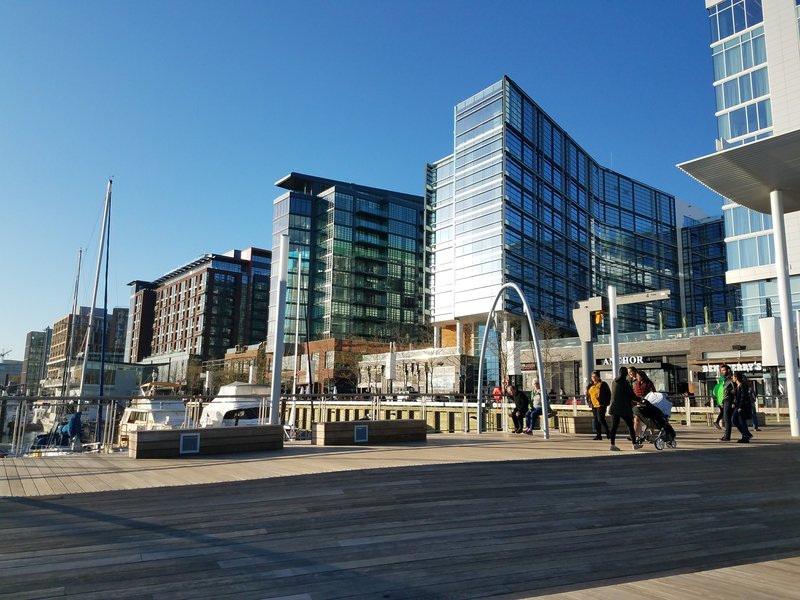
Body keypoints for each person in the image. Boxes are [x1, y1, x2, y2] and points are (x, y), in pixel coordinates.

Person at [609, 366, 642, 451]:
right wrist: (640, 399)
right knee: (630, 426)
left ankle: (612, 445)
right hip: (623, 408)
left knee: (614, 426)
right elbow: (631, 395)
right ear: (626, 374)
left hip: (614, 407)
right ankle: (634, 444)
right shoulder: (625, 382)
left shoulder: (614, 381)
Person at [586, 371, 611, 440]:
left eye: (595, 376)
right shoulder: (590, 385)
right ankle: (598, 435)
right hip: (593, 404)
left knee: (601, 419)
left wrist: (606, 402)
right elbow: (588, 394)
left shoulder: (603, 384)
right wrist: (588, 401)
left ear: (598, 377)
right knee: (596, 420)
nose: (593, 378)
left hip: (601, 404)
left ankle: (608, 433)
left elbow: (608, 393)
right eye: (592, 377)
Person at [732, 371, 753, 443]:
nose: (732, 378)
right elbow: (738, 397)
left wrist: (740, 406)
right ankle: (746, 434)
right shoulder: (737, 386)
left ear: (736, 378)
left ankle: (745, 436)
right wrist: (734, 403)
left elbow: (743, 397)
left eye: (733, 377)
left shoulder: (742, 386)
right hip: (738, 405)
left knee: (741, 421)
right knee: (735, 420)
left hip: (742, 406)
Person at [719, 364, 736, 441]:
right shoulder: (725, 379)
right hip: (726, 400)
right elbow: (725, 391)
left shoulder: (732, 379)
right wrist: (722, 401)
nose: (722, 372)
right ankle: (727, 435)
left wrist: (734, 402)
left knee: (727, 418)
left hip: (729, 400)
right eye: (721, 370)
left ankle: (727, 436)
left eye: (724, 370)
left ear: (728, 370)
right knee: (728, 418)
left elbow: (735, 391)